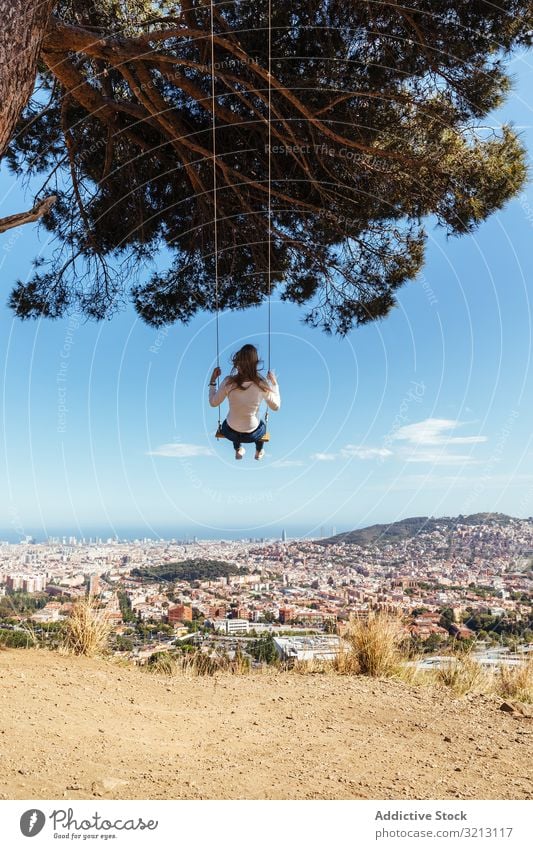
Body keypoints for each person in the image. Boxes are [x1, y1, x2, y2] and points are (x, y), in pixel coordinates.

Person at [209, 344, 280, 460]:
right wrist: (274, 384)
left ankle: (238, 449)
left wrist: (212, 381)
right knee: (261, 426)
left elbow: (213, 403)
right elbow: (276, 407)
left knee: (231, 422)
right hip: (252, 435)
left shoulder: (228, 382)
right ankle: (258, 451)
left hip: (230, 432)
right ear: (255, 364)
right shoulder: (261, 384)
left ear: (238, 362)